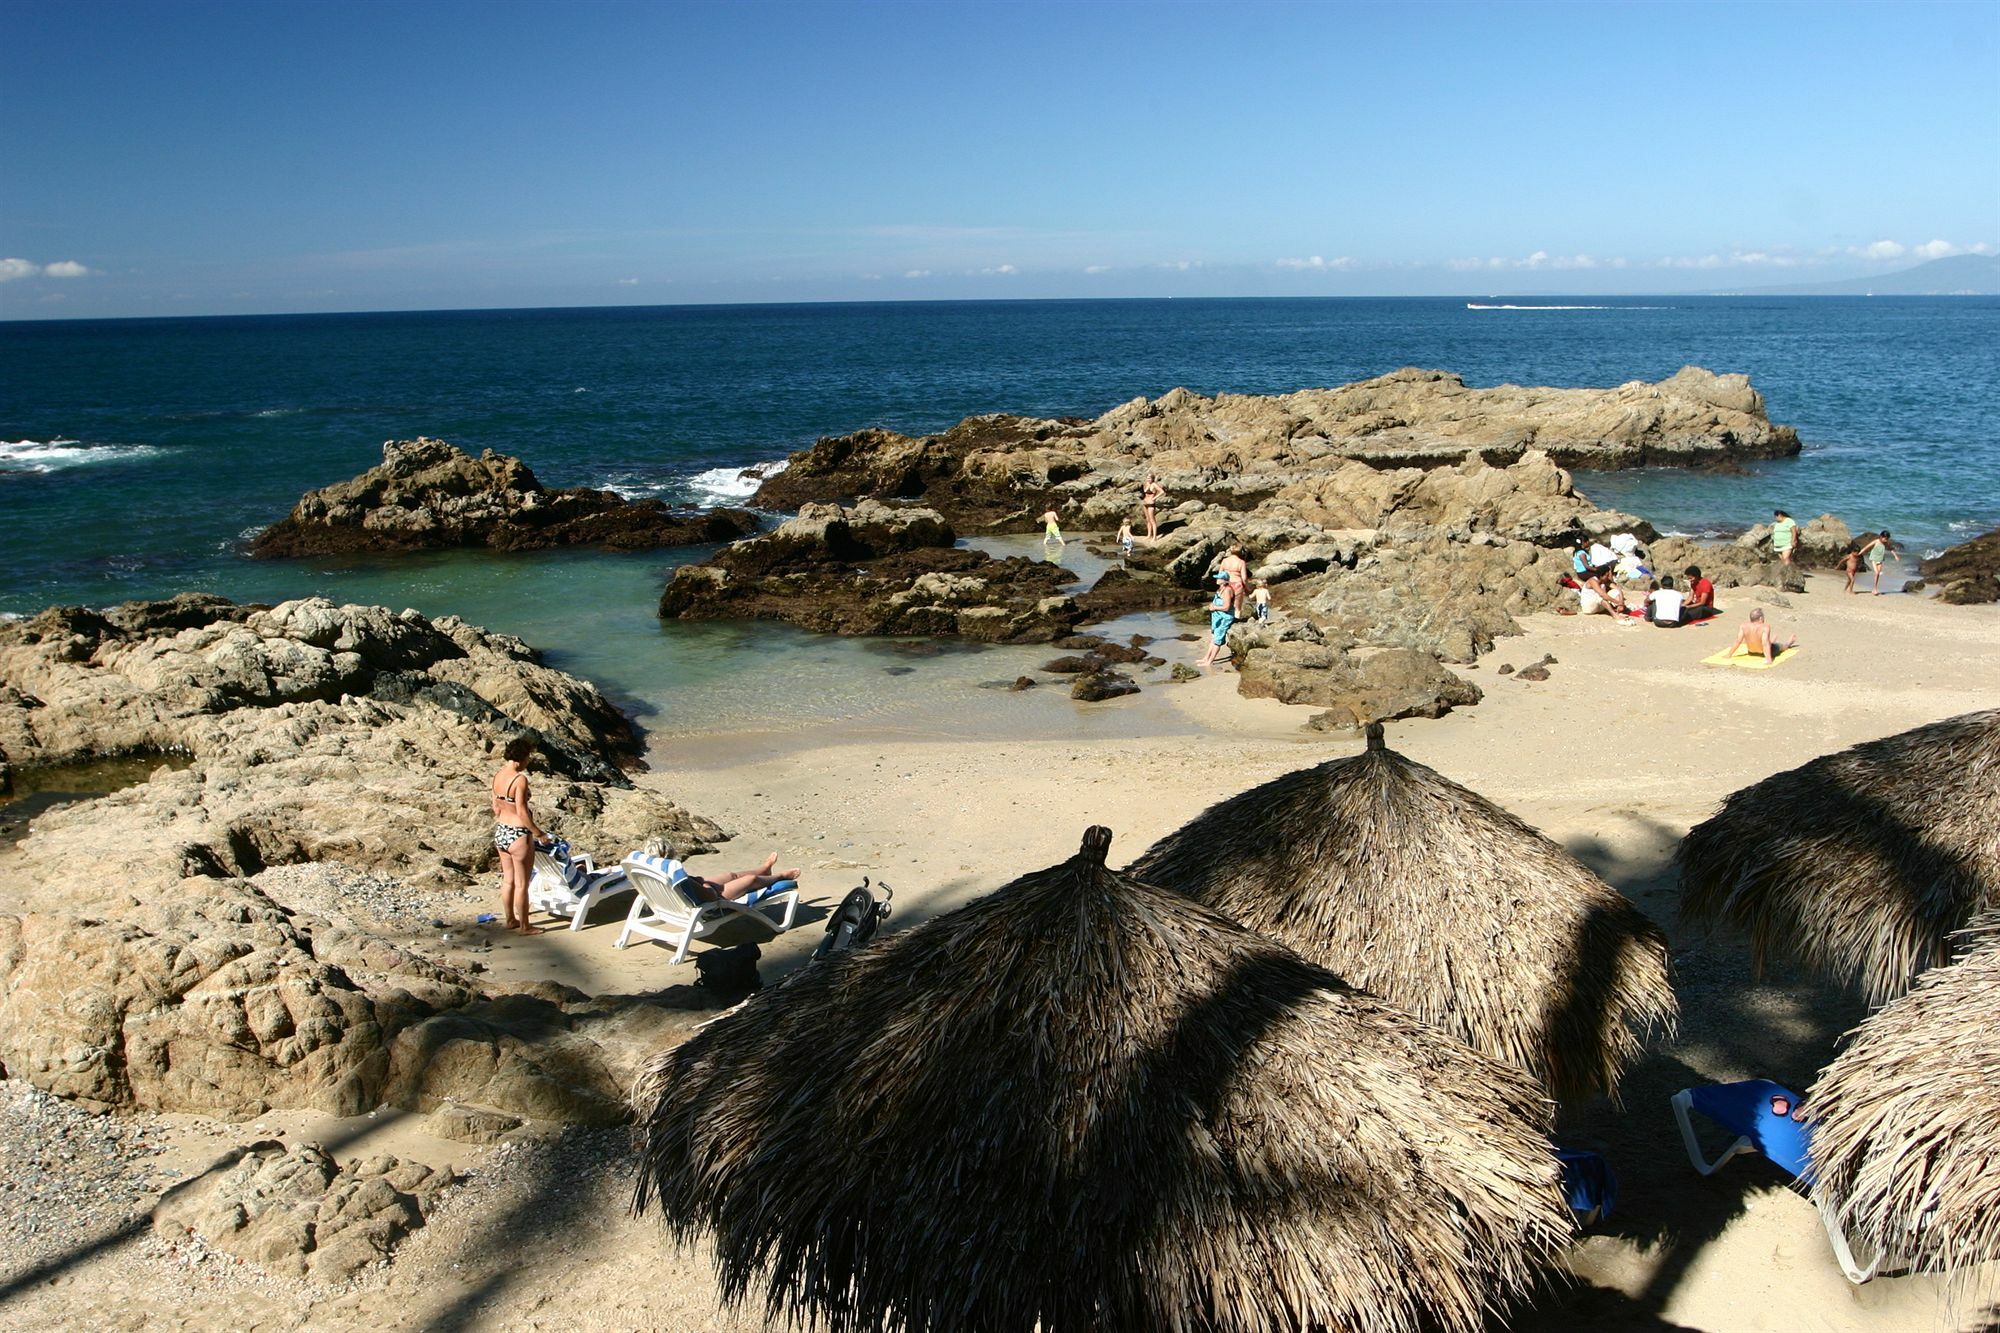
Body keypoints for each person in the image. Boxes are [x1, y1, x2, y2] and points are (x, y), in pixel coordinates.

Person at [489, 736, 547, 935]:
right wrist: (538, 833)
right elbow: (522, 812)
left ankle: (510, 920)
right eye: (528, 757)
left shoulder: (498, 775)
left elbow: (495, 806)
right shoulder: (519, 779)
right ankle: (525, 926)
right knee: (522, 883)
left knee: (508, 880)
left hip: (502, 832)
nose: (529, 761)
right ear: (521, 758)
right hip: (518, 834)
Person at [684, 851, 803, 903]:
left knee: (731, 876)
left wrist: (699, 882)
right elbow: (711, 896)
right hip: (712, 900)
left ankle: (765, 869)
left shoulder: (667, 876)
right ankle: (780, 876)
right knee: (751, 880)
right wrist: (705, 884)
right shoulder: (676, 876)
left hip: (696, 894)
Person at [1728, 607, 1795, 664]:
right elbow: (1765, 644)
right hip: (1762, 653)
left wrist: (1729, 655)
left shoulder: (1743, 625)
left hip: (1751, 652)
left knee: (1762, 641)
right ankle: (1789, 643)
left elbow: (1738, 641)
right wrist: (1769, 660)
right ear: (1760, 618)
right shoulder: (1765, 627)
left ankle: (1772, 641)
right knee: (1780, 646)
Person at [1197, 570, 1237, 668]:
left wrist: (1214, 607)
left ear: (1224, 580)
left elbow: (1227, 607)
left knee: (1217, 640)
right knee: (1213, 638)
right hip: (1218, 617)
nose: (1217, 579)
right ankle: (1206, 658)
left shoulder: (1227, 590)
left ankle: (1210, 661)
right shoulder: (1221, 589)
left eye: (1219, 578)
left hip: (1225, 618)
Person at [1857, 530, 1899, 595]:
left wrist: (1895, 556)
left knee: (1878, 573)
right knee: (1876, 573)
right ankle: (1875, 589)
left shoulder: (1886, 543)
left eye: (1887, 539)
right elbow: (1866, 547)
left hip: (1880, 559)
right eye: (1885, 538)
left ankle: (1874, 588)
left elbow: (1890, 549)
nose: (1886, 540)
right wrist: (1859, 554)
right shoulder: (1876, 541)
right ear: (1881, 537)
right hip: (1873, 558)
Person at [1219, 544, 1250, 608]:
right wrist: (1247, 588)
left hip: (1226, 584)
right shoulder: (1241, 562)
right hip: (1237, 584)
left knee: (1226, 606)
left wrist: (1220, 585)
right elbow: (1244, 578)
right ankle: (1237, 617)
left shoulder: (1224, 561)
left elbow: (1220, 575)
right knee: (1237, 608)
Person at [1141, 476, 1166, 541]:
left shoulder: (1154, 484)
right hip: (1145, 503)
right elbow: (1145, 493)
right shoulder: (1146, 484)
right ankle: (1149, 535)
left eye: (1149, 478)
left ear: (1152, 479)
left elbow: (1162, 492)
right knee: (1147, 520)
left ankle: (1154, 537)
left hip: (1151, 504)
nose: (1148, 479)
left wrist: (1154, 498)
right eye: (1147, 478)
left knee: (1152, 520)